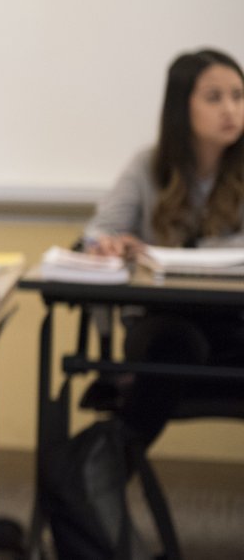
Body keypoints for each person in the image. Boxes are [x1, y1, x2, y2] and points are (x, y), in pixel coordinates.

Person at [85, 47, 244, 448]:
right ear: (180, 107)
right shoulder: (148, 167)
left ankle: (97, 467)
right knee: (175, 344)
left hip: (232, 326)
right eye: (214, 98)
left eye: (238, 97)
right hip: (164, 328)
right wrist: (108, 246)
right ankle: (106, 470)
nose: (230, 109)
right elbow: (96, 234)